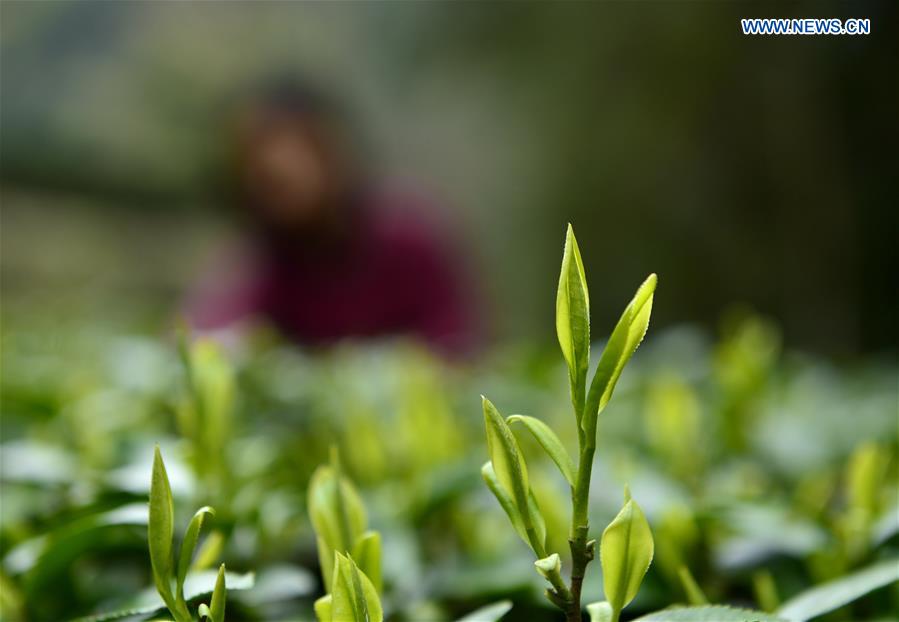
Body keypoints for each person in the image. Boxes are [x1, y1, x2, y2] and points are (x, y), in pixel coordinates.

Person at [187, 82, 479, 357]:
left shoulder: (409, 238)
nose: (281, 172)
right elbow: (207, 332)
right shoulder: (259, 266)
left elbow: (458, 346)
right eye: (265, 179)